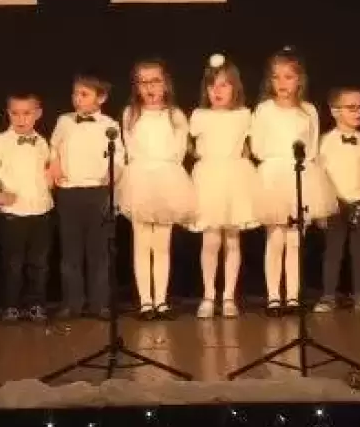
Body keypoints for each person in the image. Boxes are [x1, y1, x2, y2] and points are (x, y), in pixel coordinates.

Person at [250, 49, 337, 316]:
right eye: (276, 77)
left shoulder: (308, 110)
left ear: (299, 80)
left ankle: (292, 296)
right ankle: (274, 297)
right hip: (273, 176)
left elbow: (312, 147)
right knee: (275, 239)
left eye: (288, 77)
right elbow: (257, 146)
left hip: (301, 175)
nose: (282, 83)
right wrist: (275, 161)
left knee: (295, 241)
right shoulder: (264, 109)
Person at [117, 59, 195, 320]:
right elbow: (130, 147)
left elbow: (179, 150)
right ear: (136, 86)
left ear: (165, 84)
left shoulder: (175, 115)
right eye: (143, 82)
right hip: (139, 179)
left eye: (155, 81)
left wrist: (163, 169)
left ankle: (161, 300)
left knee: (162, 244)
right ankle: (145, 301)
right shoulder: (130, 113)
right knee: (142, 243)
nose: (149, 87)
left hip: (167, 178)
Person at [187, 53, 259, 318]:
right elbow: (192, 146)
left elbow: (251, 146)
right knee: (210, 239)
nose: (216, 91)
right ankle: (208, 295)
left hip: (235, 178)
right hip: (209, 178)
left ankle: (228, 296)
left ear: (235, 88)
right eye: (212, 85)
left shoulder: (244, 115)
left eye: (224, 85)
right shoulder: (199, 115)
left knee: (232, 238)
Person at [0, 92, 53, 323]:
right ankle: (11, 306)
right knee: (13, 264)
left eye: (26, 113)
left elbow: (45, 171)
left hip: (41, 211)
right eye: (15, 113)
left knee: (39, 264)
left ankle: (36, 305)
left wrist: (49, 183)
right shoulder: (1, 143)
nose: (21, 118)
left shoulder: (42, 142)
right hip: (14, 215)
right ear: (8, 114)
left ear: (38, 114)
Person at [48, 74, 123, 320]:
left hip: (97, 191)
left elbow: (119, 156)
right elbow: (53, 147)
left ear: (101, 98)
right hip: (69, 191)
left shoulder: (109, 124)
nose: (77, 99)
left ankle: (99, 303)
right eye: (75, 94)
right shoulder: (64, 121)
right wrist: (55, 163)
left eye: (84, 94)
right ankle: (72, 303)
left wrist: (113, 174)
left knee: (98, 252)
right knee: (71, 252)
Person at [316, 86, 360, 313]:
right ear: (335, 111)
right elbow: (320, 175)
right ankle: (328, 296)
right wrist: (321, 207)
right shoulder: (325, 141)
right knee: (333, 252)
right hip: (335, 203)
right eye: (351, 107)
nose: (358, 112)